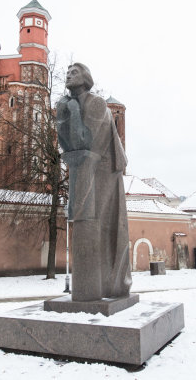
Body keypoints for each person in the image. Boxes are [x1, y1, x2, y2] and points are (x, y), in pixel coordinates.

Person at [56, 63, 132, 301]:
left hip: (105, 168)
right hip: (85, 165)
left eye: (74, 72)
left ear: (86, 78)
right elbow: (67, 145)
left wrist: (73, 112)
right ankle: (92, 287)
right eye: (67, 73)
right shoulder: (69, 104)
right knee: (87, 219)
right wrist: (63, 112)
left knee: (106, 224)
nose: (69, 76)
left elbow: (86, 142)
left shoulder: (97, 104)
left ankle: (110, 283)